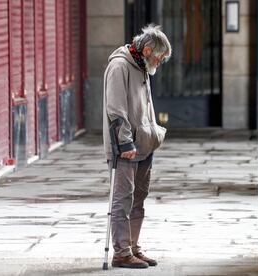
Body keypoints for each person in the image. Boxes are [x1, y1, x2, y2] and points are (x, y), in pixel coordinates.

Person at [102, 24, 172, 269]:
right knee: (123, 199)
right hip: (126, 147)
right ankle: (121, 252)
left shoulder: (143, 66)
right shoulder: (120, 66)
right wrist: (125, 142)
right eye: (160, 57)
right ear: (148, 49)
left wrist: (152, 136)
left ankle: (133, 246)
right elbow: (116, 110)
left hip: (145, 144)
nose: (160, 62)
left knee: (139, 198)